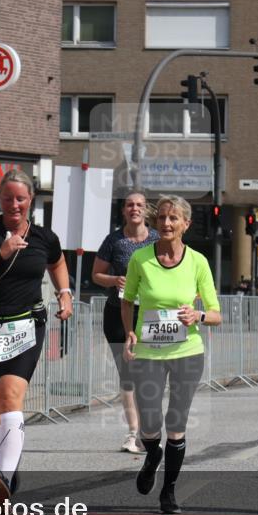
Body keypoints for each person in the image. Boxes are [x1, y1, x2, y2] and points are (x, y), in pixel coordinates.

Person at [0, 169, 73, 504]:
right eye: (8, 198)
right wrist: (0, 254)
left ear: (31, 199)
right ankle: (8, 462)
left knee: (10, 396)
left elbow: (58, 261)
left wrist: (65, 292)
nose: (14, 204)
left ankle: (4, 477)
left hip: (25, 326)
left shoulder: (43, 238)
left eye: (20, 198)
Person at [122, 195, 221, 514]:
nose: (166, 223)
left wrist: (199, 316)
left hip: (187, 352)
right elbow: (128, 300)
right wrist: (129, 332)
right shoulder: (141, 259)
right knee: (149, 422)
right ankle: (152, 454)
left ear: (186, 225)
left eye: (173, 218)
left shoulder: (198, 262)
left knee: (175, 421)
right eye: (162, 217)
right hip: (149, 351)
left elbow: (216, 312)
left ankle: (169, 491)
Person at [92, 193, 159, 454]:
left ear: (146, 210)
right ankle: (134, 433)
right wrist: (114, 280)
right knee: (128, 374)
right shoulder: (114, 240)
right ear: (123, 210)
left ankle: (149, 431)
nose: (135, 209)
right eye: (130, 205)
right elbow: (96, 274)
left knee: (148, 374)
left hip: (150, 314)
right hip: (118, 313)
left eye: (140, 205)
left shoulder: (157, 239)